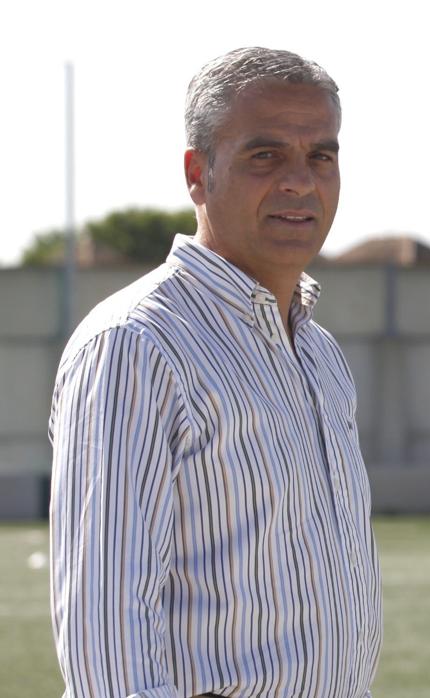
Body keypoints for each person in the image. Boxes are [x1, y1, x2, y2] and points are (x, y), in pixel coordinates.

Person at [48, 48, 381, 697]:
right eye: (265, 155)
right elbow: (107, 653)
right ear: (197, 174)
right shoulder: (138, 347)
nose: (300, 181)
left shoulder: (319, 356)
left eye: (321, 156)